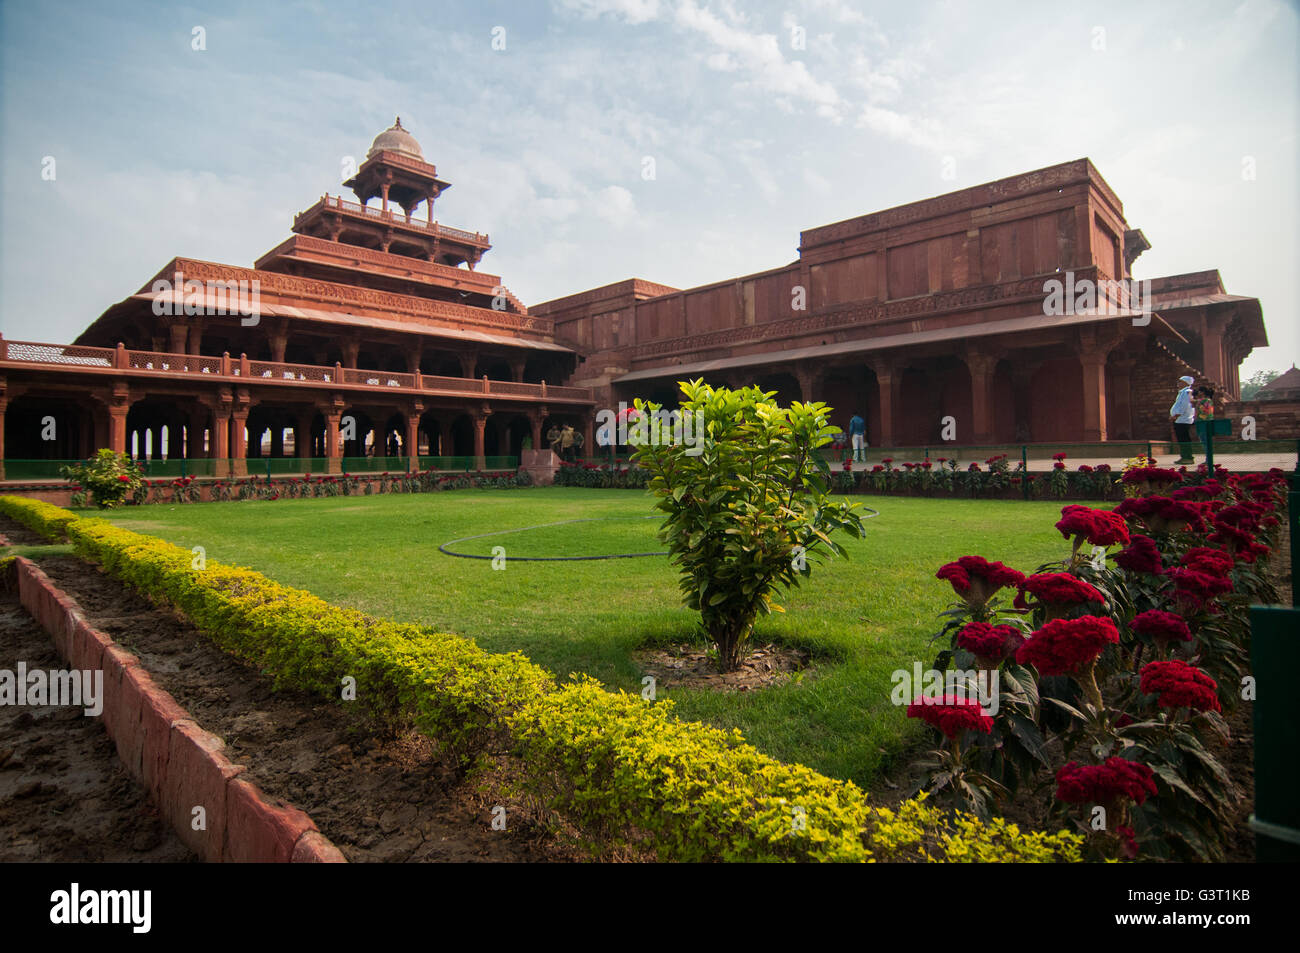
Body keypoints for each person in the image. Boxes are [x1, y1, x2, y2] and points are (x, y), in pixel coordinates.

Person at [1169, 375, 1197, 464]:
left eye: (1180, 381)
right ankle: (1185, 456)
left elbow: (1184, 406)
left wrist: (1176, 415)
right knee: (1182, 439)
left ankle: (1187, 457)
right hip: (1181, 419)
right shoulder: (1182, 392)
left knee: (1184, 439)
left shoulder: (1186, 392)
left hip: (1183, 419)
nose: (1178, 383)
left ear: (1185, 383)